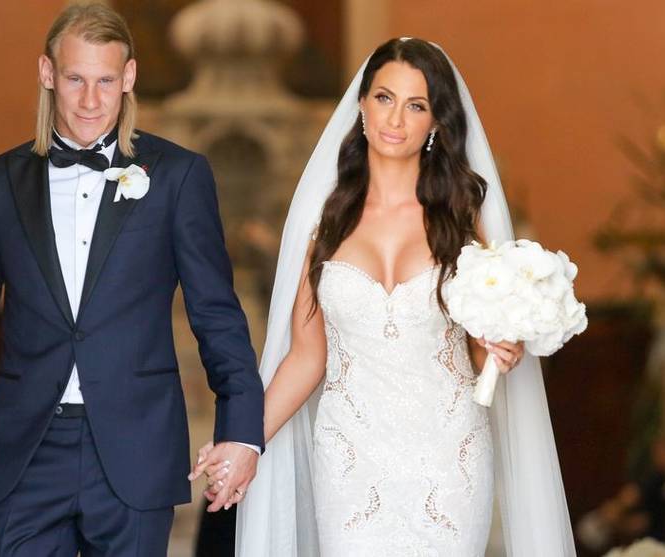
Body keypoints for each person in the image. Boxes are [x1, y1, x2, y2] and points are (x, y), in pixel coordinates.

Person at [0, 4, 264, 555]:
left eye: (106, 81)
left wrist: (241, 432)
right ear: (47, 73)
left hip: (136, 452)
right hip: (25, 456)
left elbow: (217, 315)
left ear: (129, 77)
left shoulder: (179, 177)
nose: (91, 100)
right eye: (75, 79)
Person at [192, 38, 576, 556]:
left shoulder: (465, 218)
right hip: (349, 461)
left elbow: (481, 347)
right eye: (384, 98)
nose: (395, 119)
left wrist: (501, 350)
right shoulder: (327, 221)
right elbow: (306, 357)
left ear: (436, 121)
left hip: (450, 459)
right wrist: (243, 441)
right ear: (362, 105)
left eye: (416, 105)